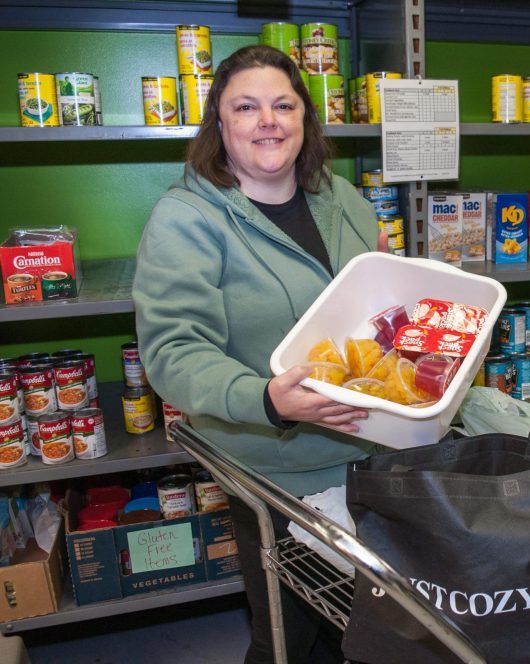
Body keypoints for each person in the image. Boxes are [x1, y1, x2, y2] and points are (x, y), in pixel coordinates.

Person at [133, 45, 384, 663]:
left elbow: (375, 301)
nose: (267, 120)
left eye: (283, 104)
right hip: (275, 472)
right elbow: (173, 349)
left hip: (372, 448)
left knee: (375, 629)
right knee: (289, 638)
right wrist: (265, 399)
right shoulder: (186, 218)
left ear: (305, 119)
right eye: (246, 107)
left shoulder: (344, 197)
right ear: (221, 125)